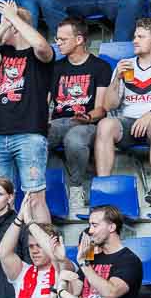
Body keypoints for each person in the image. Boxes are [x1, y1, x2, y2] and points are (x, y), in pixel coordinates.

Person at [93, 18, 151, 208]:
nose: (134, 40)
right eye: (135, 36)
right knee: (105, 124)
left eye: (141, 37)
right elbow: (109, 106)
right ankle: (104, 188)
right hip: (129, 124)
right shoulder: (125, 65)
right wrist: (116, 79)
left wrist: (150, 114)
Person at [0, 0, 57, 226]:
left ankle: (45, 248)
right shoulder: (4, 53)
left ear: (16, 26)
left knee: (35, 198)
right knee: (2, 199)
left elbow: (43, 47)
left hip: (29, 134)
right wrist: (3, 26)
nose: (0, 27)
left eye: (4, 24)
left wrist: (14, 18)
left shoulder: (38, 54)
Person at [46, 19, 109, 213]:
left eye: (63, 39)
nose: (58, 43)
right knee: (34, 135)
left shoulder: (100, 67)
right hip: (59, 121)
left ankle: (76, 189)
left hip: (87, 123)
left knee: (74, 139)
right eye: (57, 38)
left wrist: (88, 117)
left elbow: (101, 109)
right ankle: (41, 190)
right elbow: (44, 102)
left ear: (79, 39)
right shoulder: (55, 67)